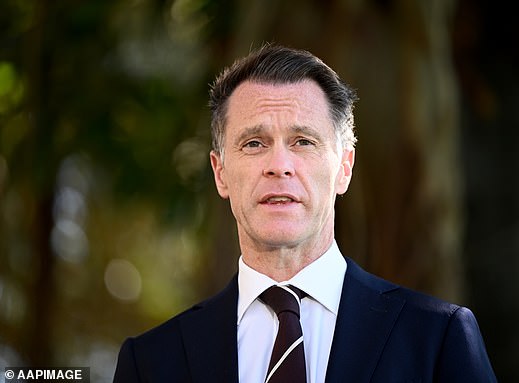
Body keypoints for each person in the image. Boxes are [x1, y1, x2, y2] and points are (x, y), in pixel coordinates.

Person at [113, 44, 497, 382]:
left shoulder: (437, 338)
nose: (279, 165)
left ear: (344, 168)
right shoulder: (150, 361)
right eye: (254, 143)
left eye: (303, 141)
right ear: (220, 173)